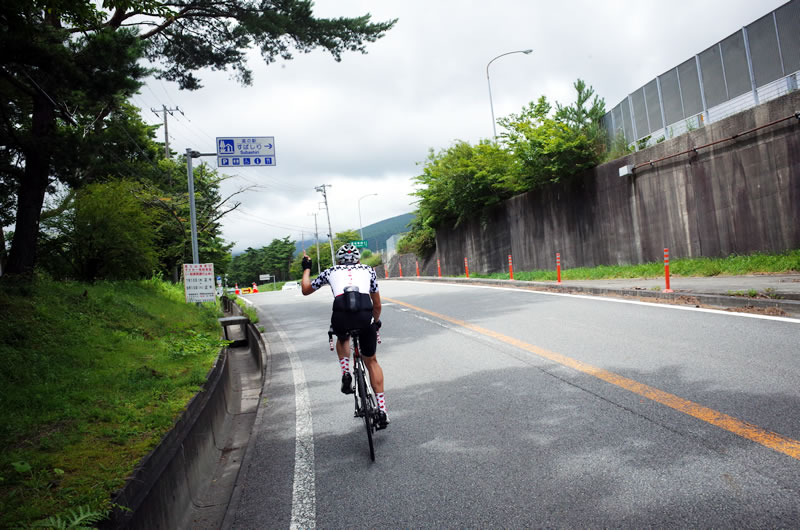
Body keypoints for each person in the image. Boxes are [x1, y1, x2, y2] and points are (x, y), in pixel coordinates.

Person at [300, 243, 389, 428]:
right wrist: (375, 321)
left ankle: (346, 372)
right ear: (358, 259)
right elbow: (377, 305)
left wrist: (306, 268)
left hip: (341, 315)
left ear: (339, 260)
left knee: (342, 337)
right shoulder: (369, 271)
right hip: (365, 315)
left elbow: (306, 289)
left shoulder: (330, 271)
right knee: (371, 360)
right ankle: (382, 410)